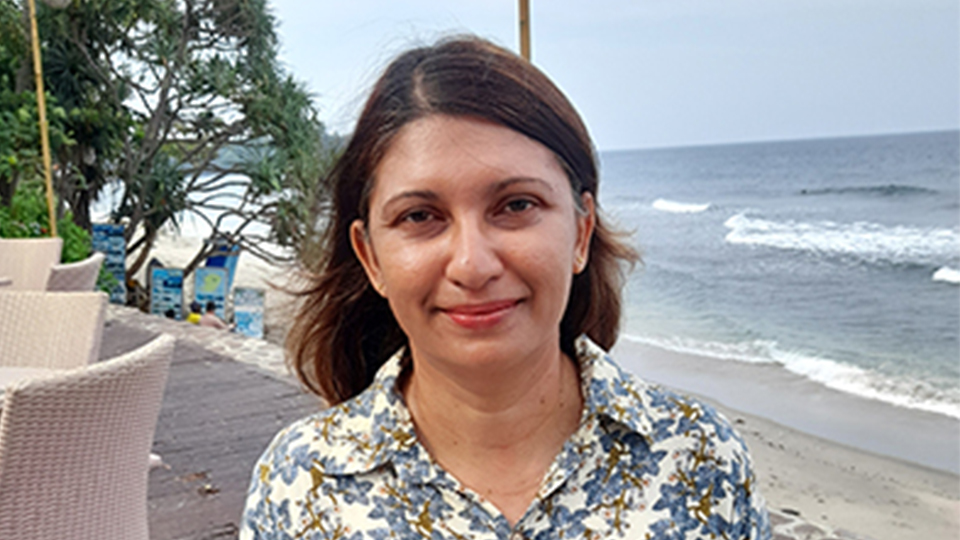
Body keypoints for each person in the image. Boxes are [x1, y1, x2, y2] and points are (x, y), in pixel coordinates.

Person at [241, 36, 770, 539]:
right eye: (420, 215)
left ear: (581, 233)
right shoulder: (302, 486)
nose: (472, 265)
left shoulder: (699, 459)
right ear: (371, 257)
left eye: (516, 205)